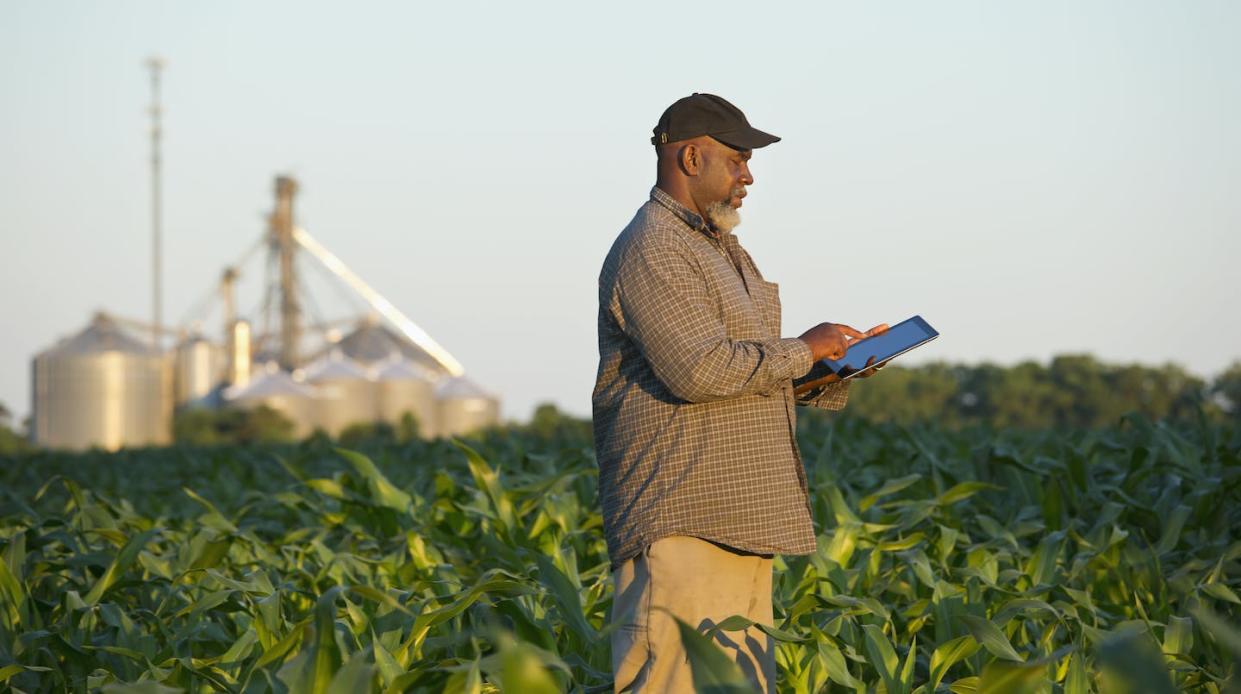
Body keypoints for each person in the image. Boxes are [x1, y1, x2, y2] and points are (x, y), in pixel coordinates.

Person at [592, 93, 887, 693]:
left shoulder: (720, 249)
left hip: (741, 518)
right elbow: (698, 371)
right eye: (737, 158)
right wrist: (805, 347)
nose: (748, 175)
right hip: (684, 518)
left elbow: (745, 375)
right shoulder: (655, 246)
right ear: (692, 157)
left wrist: (833, 368)